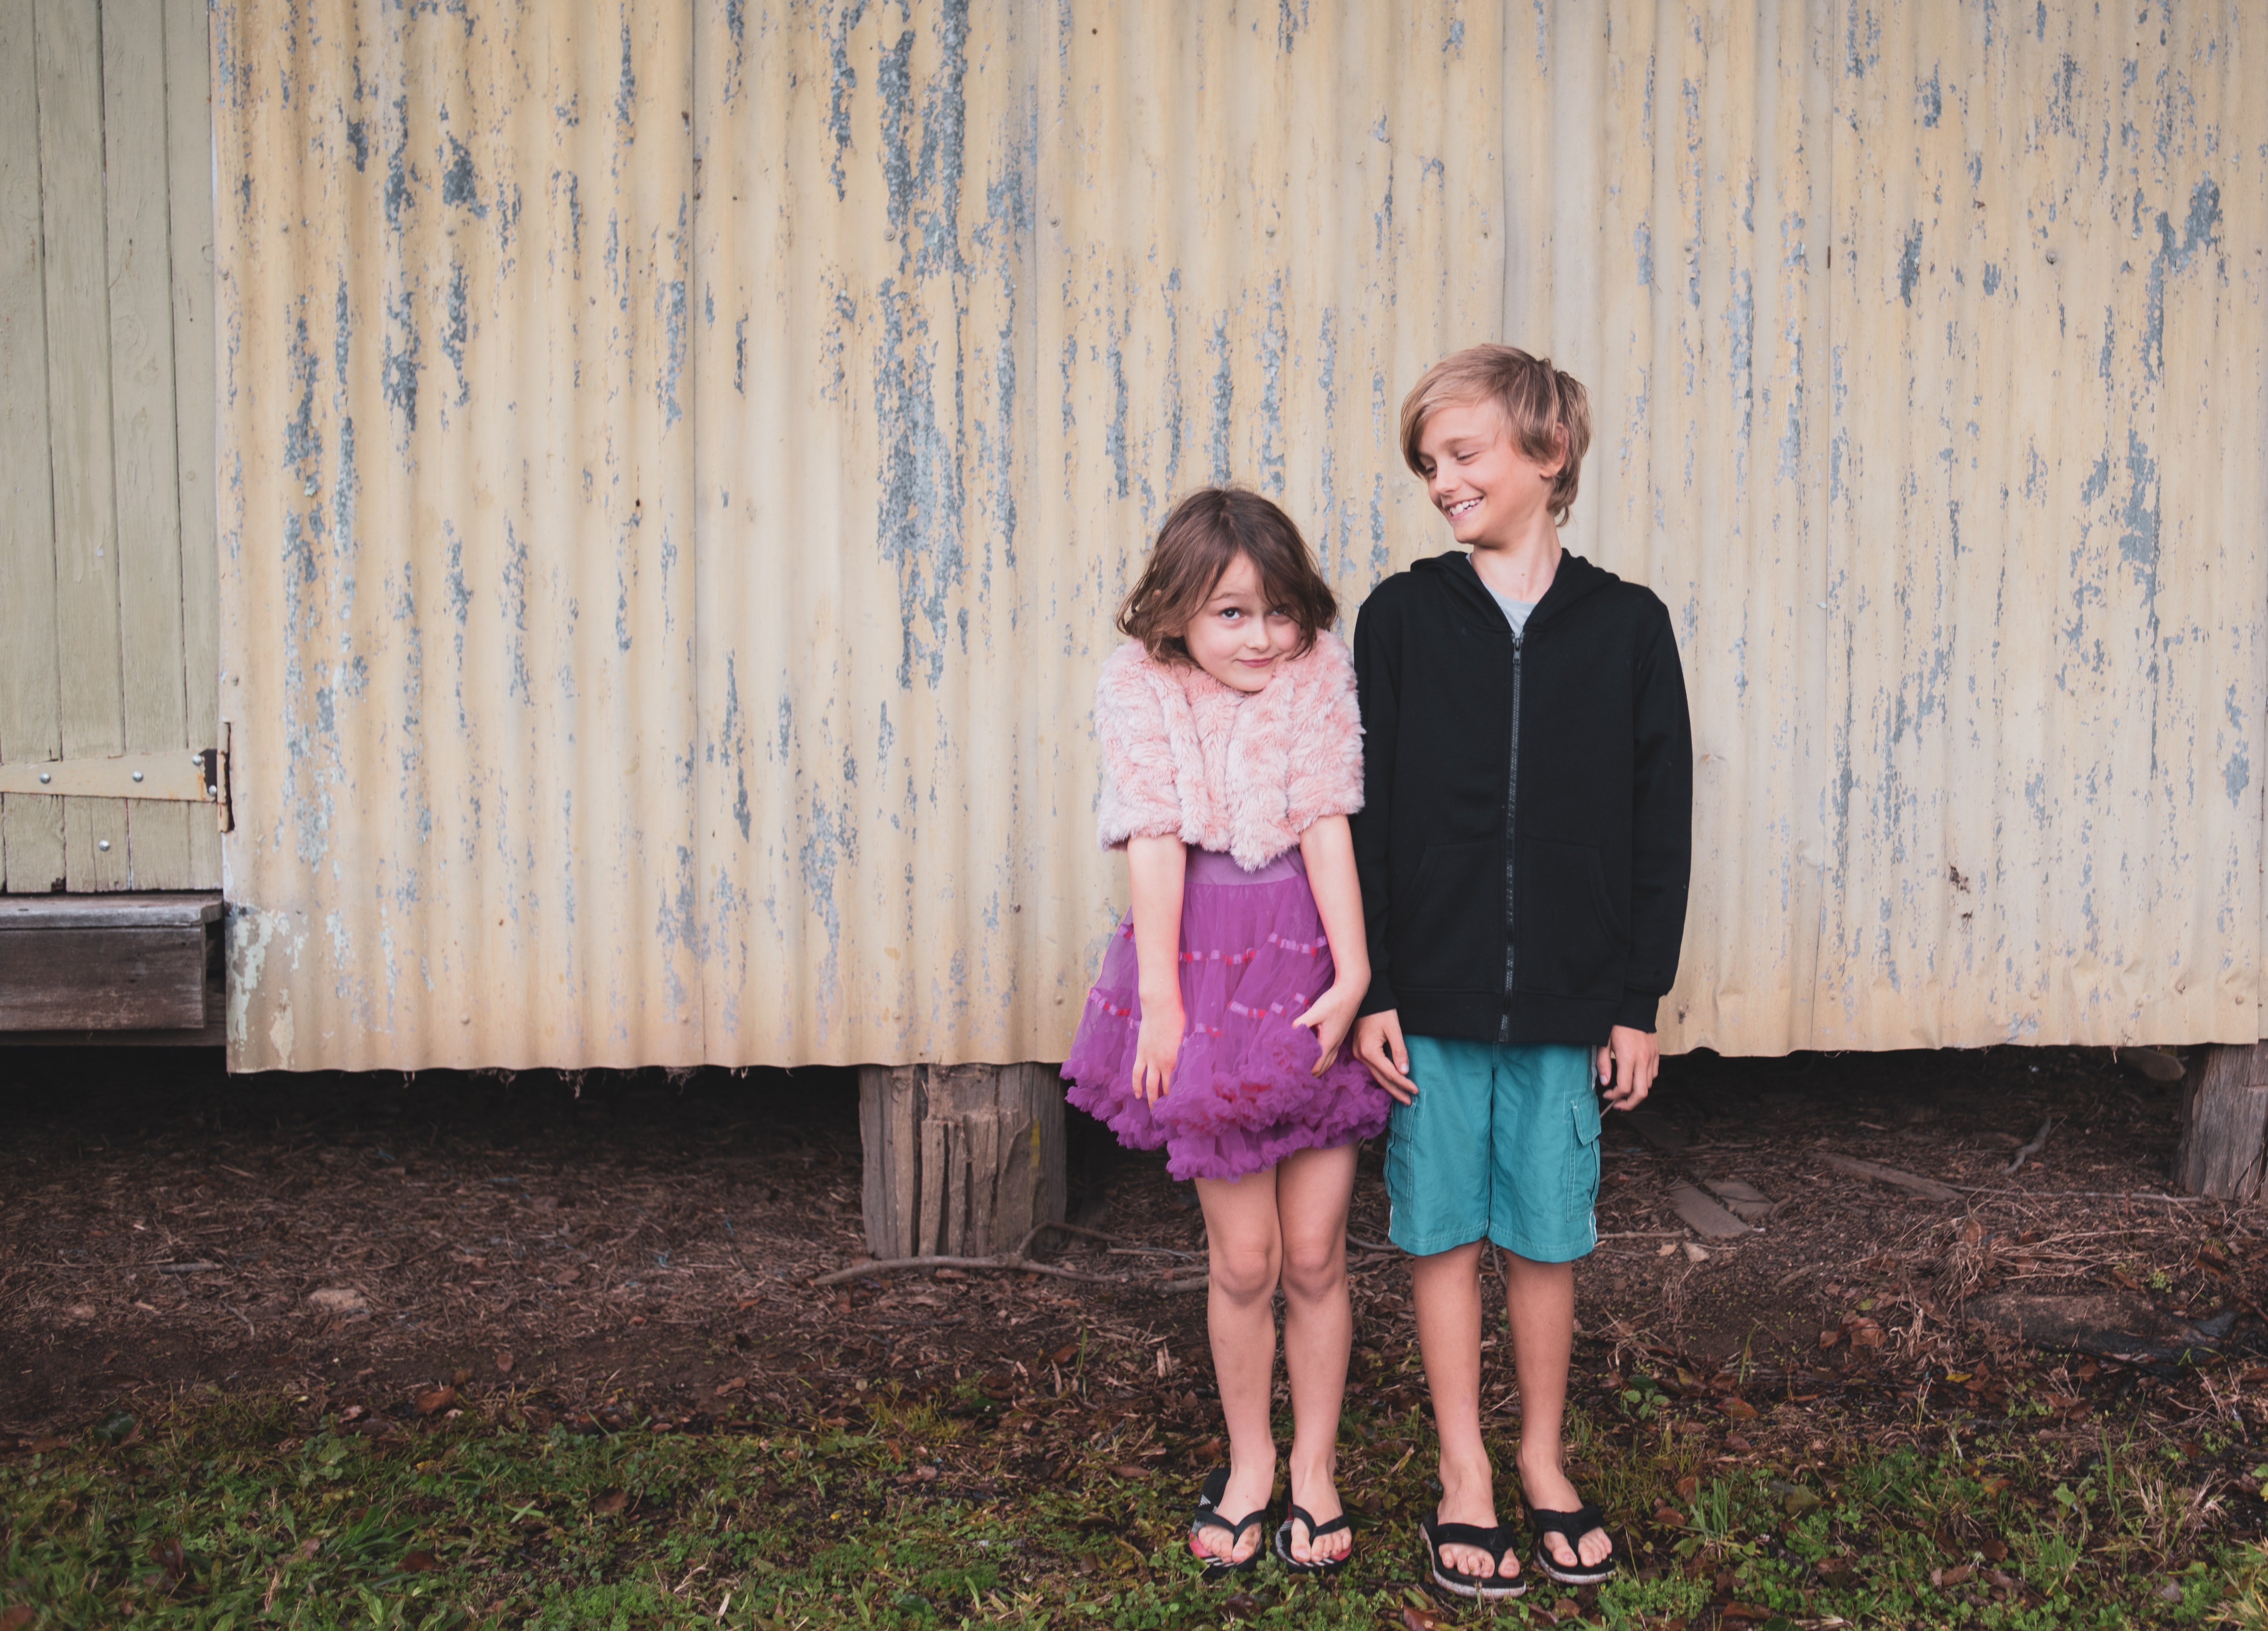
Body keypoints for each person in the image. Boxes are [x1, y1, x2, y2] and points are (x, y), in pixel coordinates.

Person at [1349, 346, 1692, 1599]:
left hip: (1566, 998)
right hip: (1428, 997)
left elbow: (1665, 823)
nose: (1444, 481)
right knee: (1441, 1230)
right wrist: (1375, 982)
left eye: (1465, 454)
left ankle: (1543, 1461)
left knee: (1547, 1234)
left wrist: (1634, 998)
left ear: (1547, 458)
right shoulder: (1399, 618)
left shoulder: (1628, 627)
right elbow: (1362, 810)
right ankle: (1464, 1475)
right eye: (1430, 464)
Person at [1062, 488, 1393, 1579]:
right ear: (1178, 617)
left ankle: (1313, 1466)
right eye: (1233, 615)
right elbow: (1153, 835)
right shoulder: (1140, 686)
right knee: (1245, 1257)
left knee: (1313, 1252)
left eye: (1279, 610)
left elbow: (1327, 817)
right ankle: (1249, 1459)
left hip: (1301, 959)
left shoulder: (1315, 674)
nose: (1263, 637)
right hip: (1202, 964)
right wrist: (1162, 999)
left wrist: (1354, 969)